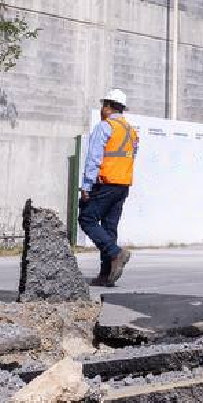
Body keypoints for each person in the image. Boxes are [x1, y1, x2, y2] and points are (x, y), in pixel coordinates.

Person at [79, 88, 137, 286]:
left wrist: (86, 185)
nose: (101, 109)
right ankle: (106, 275)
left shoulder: (105, 127)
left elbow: (94, 159)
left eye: (103, 105)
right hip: (123, 185)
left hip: (106, 183)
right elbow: (132, 157)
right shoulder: (131, 131)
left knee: (86, 219)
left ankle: (116, 253)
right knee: (109, 228)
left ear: (108, 107)